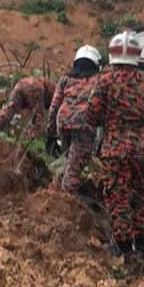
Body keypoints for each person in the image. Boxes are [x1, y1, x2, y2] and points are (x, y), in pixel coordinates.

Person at [87, 31, 144, 272]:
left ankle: (125, 253)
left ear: (112, 54)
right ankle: (143, 251)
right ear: (137, 54)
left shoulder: (104, 81)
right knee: (143, 200)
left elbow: (91, 117)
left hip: (115, 153)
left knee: (119, 200)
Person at [45, 45, 102, 192]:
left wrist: (50, 134)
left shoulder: (66, 78)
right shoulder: (99, 80)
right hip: (83, 124)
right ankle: (67, 199)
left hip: (63, 122)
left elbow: (54, 106)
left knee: (69, 159)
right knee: (74, 167)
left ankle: (56, 187)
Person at [0, 75, 56, 142]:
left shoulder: (56, 88)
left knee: (6, 114)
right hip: (36, 87)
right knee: (38, 121)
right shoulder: (61, 95)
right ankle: (29, 143)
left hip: (23, 83)